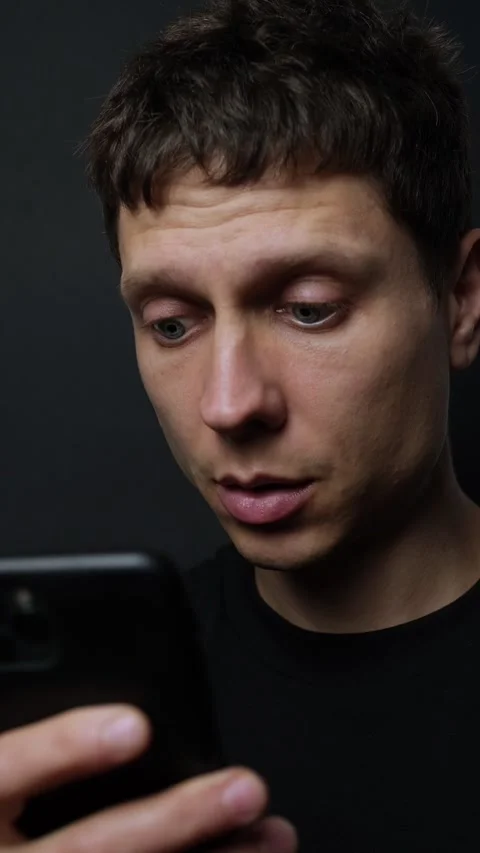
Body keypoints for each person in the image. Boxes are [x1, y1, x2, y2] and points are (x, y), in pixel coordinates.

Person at [1, 0, 479, 850]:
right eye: (174, 323)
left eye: (309, 308)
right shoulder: (86, 719)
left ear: (462, 300)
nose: (228, 405)